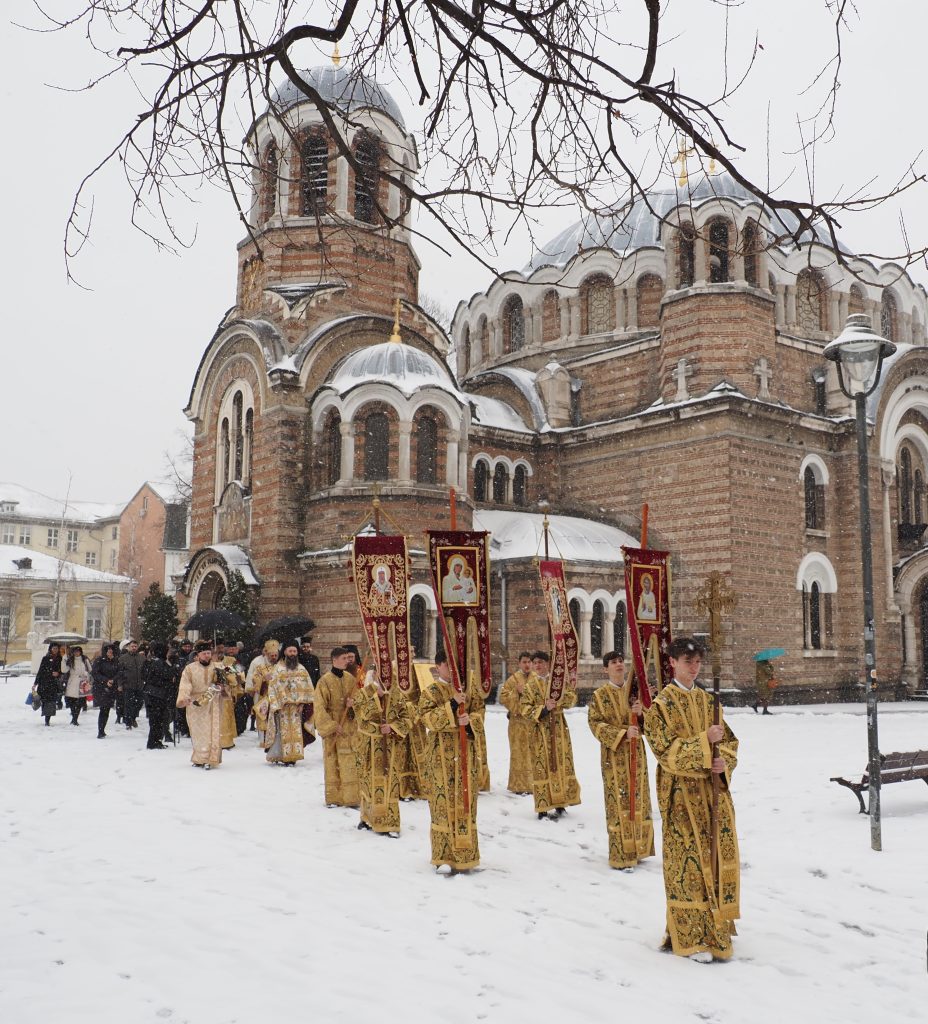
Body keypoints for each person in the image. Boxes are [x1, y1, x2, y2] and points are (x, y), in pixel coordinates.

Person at [643, 637, 740, 963]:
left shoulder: (709, 702)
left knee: (713, 864)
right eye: (688, 661)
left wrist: (722, 761)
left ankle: (718, 930)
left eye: (698, 661)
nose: (694, 667)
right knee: (689, 867)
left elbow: (730, 742)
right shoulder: (660, 707)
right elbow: (665, 753)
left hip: (714, 797)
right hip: (682, 798)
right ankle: (691, 936)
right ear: (672, 662)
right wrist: (702, 744)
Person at [587, 651, 654, 871]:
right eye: (613, 663)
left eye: (620, 662)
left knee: (639, 798)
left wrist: (642, 713)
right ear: (605, 669)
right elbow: (595, 724)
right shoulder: (599, 696)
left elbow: (652, 723)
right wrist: (623, 734)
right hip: (614, 758)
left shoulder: (634, 692)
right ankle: (621, 852)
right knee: (618, 801)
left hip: (637, 754)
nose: (618, 665)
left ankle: (640, 847)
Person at [418, 652, 479, 872]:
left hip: (464, 754)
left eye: (455, 666)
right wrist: (452, 706)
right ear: (438, 666)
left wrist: (469, 721)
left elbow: (479, 715)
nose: (452, 671)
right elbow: (427, 718)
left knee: (465, 803)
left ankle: (465, 853)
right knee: (442, 804)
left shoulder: (467, 691)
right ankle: (443, 855)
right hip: (440, 756)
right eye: (447, 665)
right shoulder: (431, 691)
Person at [520, 650, 581, 820]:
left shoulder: (558, 682)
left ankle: (561, 803)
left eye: (541, 662)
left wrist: (558, 701)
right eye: (535, 663)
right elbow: (524, 709)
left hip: (559, 729)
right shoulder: (530, 687)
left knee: (560, 764)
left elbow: (572, 698)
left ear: (548, 664)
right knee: (542, 768)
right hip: (539, 732)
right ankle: (543, 807)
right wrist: (544, 709)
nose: (537, 665)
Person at [354, 667, 412, 834]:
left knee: (390, 784)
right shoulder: (364, 693)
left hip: (392, 748)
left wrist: (393, 728)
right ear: (376, 674)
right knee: (369, 783)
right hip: (369, 747)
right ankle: (367, 818)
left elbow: (408, 717)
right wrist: (377, 698)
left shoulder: (397, 694)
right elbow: (360, 719)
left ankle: (389, 823)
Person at [313, 647, 361, 807]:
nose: (347, 660)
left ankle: (351, 797)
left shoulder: (351, 679)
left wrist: (353, 705)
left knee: (350, 761)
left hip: (349, 726)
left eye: (348, 658)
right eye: (344, 658)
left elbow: (360, 701)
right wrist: (332, 725)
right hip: (334, 725)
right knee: (333, 762)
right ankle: (334, 798)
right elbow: (319, 707)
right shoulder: (325, 681)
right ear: (334, 660)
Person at [176, 640, 232, 769]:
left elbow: (228, 684)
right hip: (196, 704)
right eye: (204, 653)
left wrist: (223, 687)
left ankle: (211, 758)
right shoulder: (190, 669)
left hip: (214, 703)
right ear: (198, 655)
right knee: (199, 732)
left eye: (209, 653)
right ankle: (200, 758)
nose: (207, 655)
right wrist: (184, 698)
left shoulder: (218, 667)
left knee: (213, 731)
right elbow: (185, 684)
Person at [263, 641, 315, 765]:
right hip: (283, 707)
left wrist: (303, 703)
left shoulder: (302, 669)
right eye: (290, 651)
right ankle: (281, 756)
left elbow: (308, 688)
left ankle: (294, 756)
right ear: (285, 652)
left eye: (294, 651)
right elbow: (273, 688)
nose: (292, 653)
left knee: (295, 732)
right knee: (282, 732)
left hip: (297, 708)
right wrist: (281, 702)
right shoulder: (278, 669)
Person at [497, 651, 537, 794]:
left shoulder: (537, 679)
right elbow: (503, 698)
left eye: (529, 662)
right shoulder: (513, 679)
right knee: (518, 754)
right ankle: (518, 785)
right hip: (517, 724)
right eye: (524, 662)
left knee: (533, 753)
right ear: (519, 663)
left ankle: (534, 784)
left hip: (533, 723)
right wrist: (517, 693)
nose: (527, 665)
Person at [141, 642, 175, 749]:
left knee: (159, 719)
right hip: (156, 695)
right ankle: (153, 742)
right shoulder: (158, 663)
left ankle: (156, 740)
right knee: (156, 719)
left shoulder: (158, 662)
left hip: (157, 694)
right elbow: (166, 675)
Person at [246, 639, 281, 733]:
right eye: (271, 655)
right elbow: (252, 677)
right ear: (266, 653)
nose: (273, 657)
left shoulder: (281, 665)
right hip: (262, 694)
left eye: (275, 655)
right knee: (262, 715)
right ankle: (262, 736)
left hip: (276, 696)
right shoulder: (257, 663)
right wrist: (263, 679)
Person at [91, 644, 119, 738]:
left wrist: (113, 680)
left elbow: (119, 672)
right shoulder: (99, 660)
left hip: (111, 688)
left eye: (112, 650)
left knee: (107, 709)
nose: (110, 652)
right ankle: (100, 731)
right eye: (109, 650)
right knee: (103, 709)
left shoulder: (116, 661)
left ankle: (102, 730)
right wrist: (105, 681)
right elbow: (95, 673)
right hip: (101, 688)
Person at [117, 640, 146, 729]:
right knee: (128, 704)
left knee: (139, 703)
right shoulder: (123, 658)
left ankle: (133, 718)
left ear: (137, 647)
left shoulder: (142, 658)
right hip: (128, 685)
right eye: (132, 646)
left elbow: (145, 671)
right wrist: (120, 685)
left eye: (135, 646)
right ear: (129, 647)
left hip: (140, 685)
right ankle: (128, 722)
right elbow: (119, 673)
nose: (134, 648)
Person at [62, 645, 93, 726]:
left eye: (78, 651)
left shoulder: (84, 659)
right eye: (75, 651)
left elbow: (90, 669)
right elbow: (64, 670)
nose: (77, 653)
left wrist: (86, 674)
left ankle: (75, 719)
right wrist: (63, 660)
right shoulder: (70, 660)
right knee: (72, 701)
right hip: (72, 682)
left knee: (80, 702)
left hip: (82, 682)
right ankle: (74, 717)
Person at [35, 643, 62, 726]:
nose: (55, 650)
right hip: (44, 683)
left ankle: (47, 719)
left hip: (53, 684)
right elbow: (40, 670)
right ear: (50, 649)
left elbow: (62, 671)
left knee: (51, 702)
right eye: (53, 648)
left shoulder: (60, 659)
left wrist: (58, 674)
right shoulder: (45, 658)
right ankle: (45, 713)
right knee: (44, 701)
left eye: (56, 648)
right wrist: (36, 682)